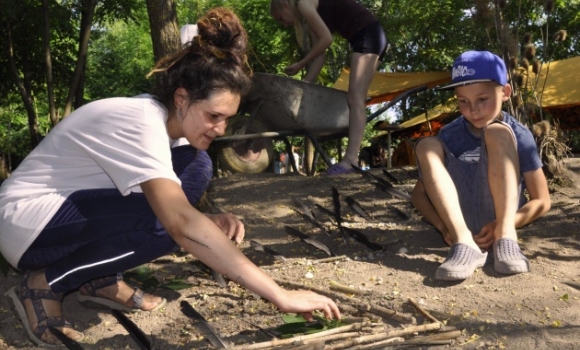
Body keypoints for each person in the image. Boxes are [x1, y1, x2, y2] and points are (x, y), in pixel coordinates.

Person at [0, 7, 340, 346]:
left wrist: (205, 219)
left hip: (65, 214)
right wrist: (280, 294)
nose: (221, 129)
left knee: (197, 167)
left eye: (228, 118)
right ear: (181, 99)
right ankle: (46, 284)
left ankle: (98, 277)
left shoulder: (174, 134)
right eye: (213, 115)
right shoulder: (142, 121)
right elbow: (178, 221)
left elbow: (170, 205)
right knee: (166, 225)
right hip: (25, 222)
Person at [411, 50, 551, 281]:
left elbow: (542, 200)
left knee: (496, 131)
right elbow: (418, 195)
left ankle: (507, 239)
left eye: (482, 99)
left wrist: (502, 225)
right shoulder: (449, 134)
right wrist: (443, 226)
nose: (473, 110)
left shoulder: (518, 133)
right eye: (463, 101)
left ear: (505, 92)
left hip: (502, 219)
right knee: (426, 144)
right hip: (458, 223)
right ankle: (464, 244)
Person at [269, 0, 387, 176]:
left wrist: (300, 64)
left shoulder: (303, 3)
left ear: (285, 5)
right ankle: (350, 161)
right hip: (367, 37)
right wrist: (302, 87)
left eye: (280, 18)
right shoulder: (309, 18)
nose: (284, 24)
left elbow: (327, 39)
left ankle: (350, 161)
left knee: (355, 98)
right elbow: (320, 56)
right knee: (354, 98)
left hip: (368, 34)